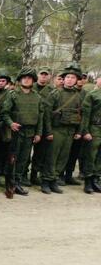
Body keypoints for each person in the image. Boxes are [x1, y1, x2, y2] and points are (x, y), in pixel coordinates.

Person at [41, 62, 84, 194]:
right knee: (51, 157)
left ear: (76, 80)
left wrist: (79, 131)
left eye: (73, 78)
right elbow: (47, 114)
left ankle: (54, 180)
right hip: (56, 129)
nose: (70, 80)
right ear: (63, 79)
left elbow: (82, 114)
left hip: (70, 131)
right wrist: (48, 131)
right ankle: (45, 182)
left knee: (63, 157)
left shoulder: (79, 95)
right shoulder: (55, 94)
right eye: (68, 77)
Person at [0, 67, 43, 198]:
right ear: (19, 80)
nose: (26, 79)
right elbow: (4, 113)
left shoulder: (37, 97)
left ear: (33, 80)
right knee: (12, 158)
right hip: (16, 131)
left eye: (29, 78)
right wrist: (11, 123)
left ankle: (17, 183)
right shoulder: (12, 94)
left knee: (23, 160)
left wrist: (38, 133)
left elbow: (40, 116)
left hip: (30, 132)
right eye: (24, 77)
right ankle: (9, 184)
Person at [81, 78, 101, 193]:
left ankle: (96, 179)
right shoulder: (92, 95)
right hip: (94, 128)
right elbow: (85, 115)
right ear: (98, 80)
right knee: (91, 155)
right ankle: (88, 181)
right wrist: (86, 131)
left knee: (100, 157)